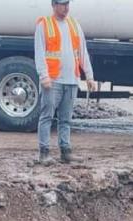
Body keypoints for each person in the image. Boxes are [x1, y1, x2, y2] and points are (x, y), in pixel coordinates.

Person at [34, 0, 96, 165]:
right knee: (47, 116)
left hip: (71, 80)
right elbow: (39, 53)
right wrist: (44, 76)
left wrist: (89, 76)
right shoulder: (44, 25)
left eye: (67, 4)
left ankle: (65, 150)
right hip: (53, 80)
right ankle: (44, 152)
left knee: (66, 118)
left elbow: (82, 52)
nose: (65, 7)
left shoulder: (74, 25)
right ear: (53, 5)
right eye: (62, 4)